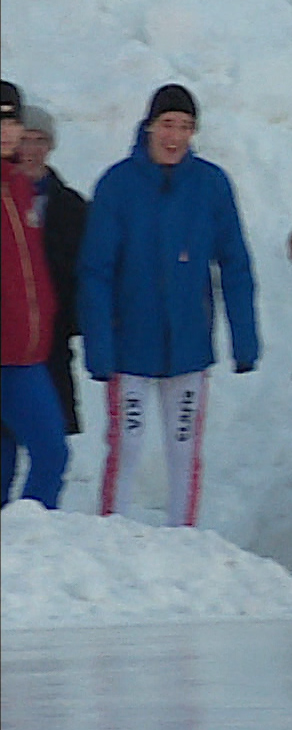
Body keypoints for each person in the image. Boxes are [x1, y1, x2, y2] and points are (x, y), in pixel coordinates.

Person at [79, 83, 258, 527]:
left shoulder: (211, 184)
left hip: (189, 346)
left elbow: (234, 263)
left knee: (184, 448)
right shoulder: (118, 184)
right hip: (130, 345)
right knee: (129, 445)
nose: (175, 136)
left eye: (185, 127)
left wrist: (245, 339)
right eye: (167, 125)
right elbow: (95, 271)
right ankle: (111, 537)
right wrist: (100, 347)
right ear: (149, 126)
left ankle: (185, 538)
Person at [2, 81, 69, 508]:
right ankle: (33, 542)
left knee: (7, 459)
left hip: (28, 349)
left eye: (12, 120)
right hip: (8, 355)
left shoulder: (20, 185)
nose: (7, 130)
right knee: (51, 453)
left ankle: (17, 560)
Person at [13, 105, 88, 437]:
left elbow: (85, 273)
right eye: (25, 140)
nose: (31, 150)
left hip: (53, 345)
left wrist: (71, 322)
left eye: (40, 140)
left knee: (52, 446)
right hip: (8, 344)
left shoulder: (72, 206)